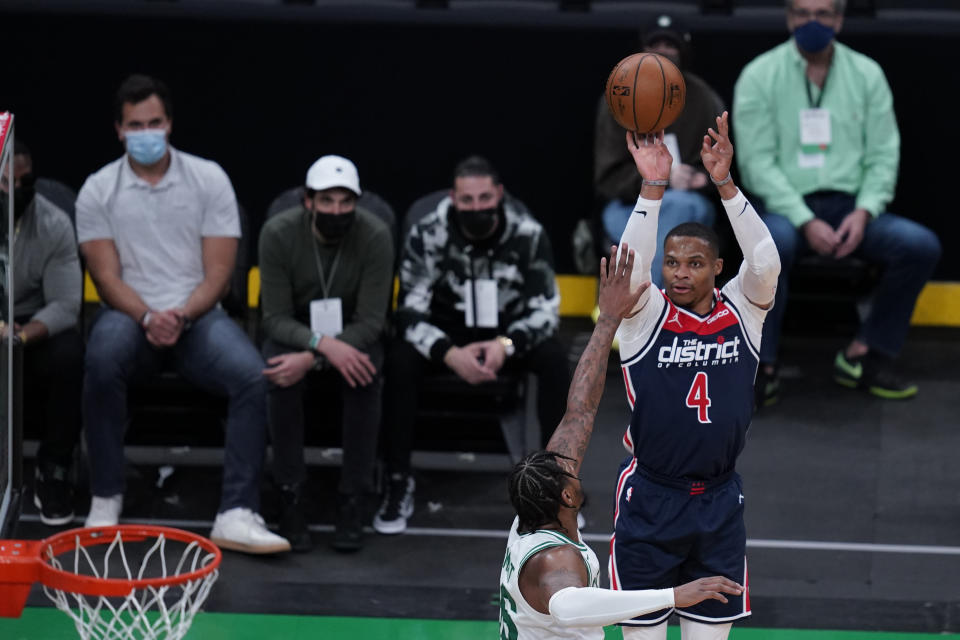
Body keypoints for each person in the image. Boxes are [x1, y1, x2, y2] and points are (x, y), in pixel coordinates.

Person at [75, 74, 290, 553]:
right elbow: (106, 278)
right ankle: (104, 497)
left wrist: (180, 316)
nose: (146, 132)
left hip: (198, 315)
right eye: (135, 125)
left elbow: (220, 272)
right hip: (130, 316)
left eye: (154, 122)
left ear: (169, 123)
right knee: (100, 357)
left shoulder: (208, 178)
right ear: (119, 130)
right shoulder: (97, 189)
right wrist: (150, 317)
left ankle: (236, 512)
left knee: (252, 375)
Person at [499, 243, 744, 640]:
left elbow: (579, 409)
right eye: (567, 474)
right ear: (566, 497)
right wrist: (672, 596)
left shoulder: (528, 517)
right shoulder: (555, 560)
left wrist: (608, 319)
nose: (572, 467)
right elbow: (568, 605)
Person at [610, 112, 779, 640]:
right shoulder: (647, 317)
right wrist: (653, 186)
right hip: (652, 500)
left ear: (718, 269)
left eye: (694, 263)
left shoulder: (744, 311)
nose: (680, 272)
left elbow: (766, 257)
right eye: (673, 263)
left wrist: (725, 183)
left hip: (719, 504)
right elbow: (631, 266)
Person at [732, 0, 941, 405]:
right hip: (785, 208)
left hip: (851, 208)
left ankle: (865, 353)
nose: (813, 21)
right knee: (768, 245)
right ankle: (763, 366)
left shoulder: (867, 74)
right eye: (803, 13)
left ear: (840, 20)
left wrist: (865, 212)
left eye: (824, 13)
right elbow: (756, 164)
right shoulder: (759, 75)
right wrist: (804, 218)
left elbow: (884, 154)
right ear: (790, 18)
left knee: (919, 245)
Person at [376, 155, 570, 535]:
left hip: (505, 336)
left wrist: (505, 344)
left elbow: (546, 311)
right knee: (399, 361)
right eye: (467, 200)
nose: (476, 207)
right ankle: (397, 479)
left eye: (484, 198)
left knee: (554, 359)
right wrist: (447, 352)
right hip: (447, 337)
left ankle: (554, 486)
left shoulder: (528, 233)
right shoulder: (427, 232)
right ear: (453, 198)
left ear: (498, 194)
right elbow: (409, 312)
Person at [258, 155, 394, 553]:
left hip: (353, 332)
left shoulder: (375, 236)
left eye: (346, 202)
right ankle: (289, 494)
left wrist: (319, 357)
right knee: (279, 370)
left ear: (356, 203)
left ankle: (354, 495)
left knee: (365, 369)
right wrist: (320, 347)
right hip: (297, 333)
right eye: (328, 201)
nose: (337, 211)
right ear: (308, 201)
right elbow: (273, 317)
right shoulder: (277, 234)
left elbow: (372, 320)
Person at [593, 13, 724, 286]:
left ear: (684, 51)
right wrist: (659, 180)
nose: (663, 52)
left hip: (687, 202)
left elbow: (721, 166)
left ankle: (640, 307)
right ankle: (653, 310)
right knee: (650, 227)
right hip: (630, 205)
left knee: (680, 208)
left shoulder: (703, 97)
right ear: (642, 49)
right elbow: (607, 179)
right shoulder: (618, 98)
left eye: (670, 45)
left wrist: (704, 178)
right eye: (655, 45)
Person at [0, 140, 84, 526]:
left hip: (31, 324)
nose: (17, 190)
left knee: (69, 354)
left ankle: (54, 470)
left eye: (25, 180)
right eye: (6, 182)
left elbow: (66, 304)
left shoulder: (53, 222)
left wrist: (19, 337)